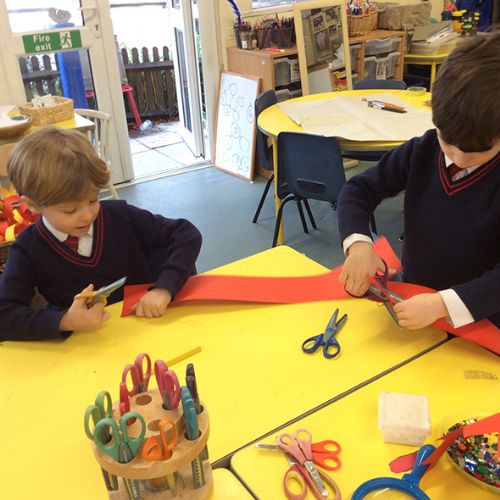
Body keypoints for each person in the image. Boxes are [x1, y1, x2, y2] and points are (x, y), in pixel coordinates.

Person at [338, 31, 500, 330]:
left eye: (476, 152)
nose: (458, 157)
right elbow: (358, 190)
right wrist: (358, 244)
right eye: (447, 142)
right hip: (415, 298)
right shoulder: (422, 150)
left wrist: (443, 305)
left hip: (483, 321)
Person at [0, 127, 202, 341]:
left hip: (149, 328)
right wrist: (65, 321)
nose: (87, 215)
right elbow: (4, 315)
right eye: (70, 210)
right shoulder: (28, 248)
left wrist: (164, 289)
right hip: (86, 345)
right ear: (32, 205)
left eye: (93, 199)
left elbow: (186, 234)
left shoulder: (119, 216)